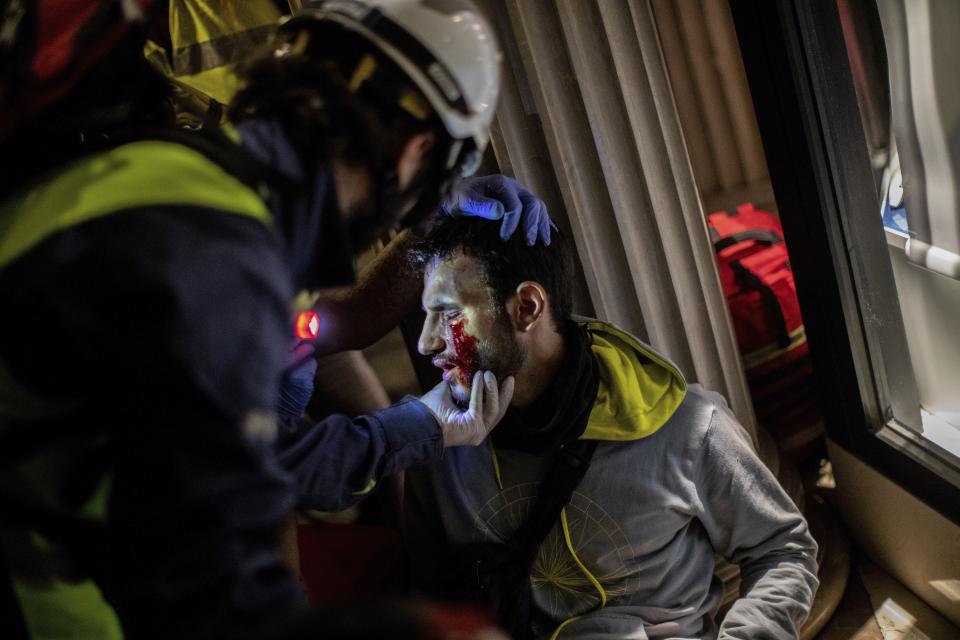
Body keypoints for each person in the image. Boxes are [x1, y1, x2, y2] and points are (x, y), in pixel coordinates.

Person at [0, 1, 543, 638]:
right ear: (415, 152)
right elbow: (218, 582)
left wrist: (421, 423)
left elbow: (264, 456)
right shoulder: (225, 265)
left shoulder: (168, 171)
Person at [403, 215, 821, 640]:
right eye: (427, 316)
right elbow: (431, 598)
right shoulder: (433, 446)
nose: (426, 342)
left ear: (527, 307)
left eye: (449, 313)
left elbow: (782, 550)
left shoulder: (685, 425)